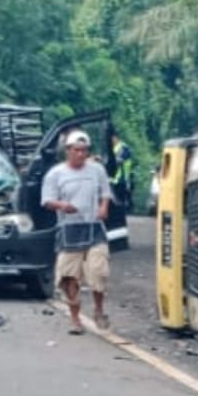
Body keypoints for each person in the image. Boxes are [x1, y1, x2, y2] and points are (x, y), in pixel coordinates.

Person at [41, 129, 112, 334]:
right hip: (69, 229)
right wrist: (62, 205)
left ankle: (99, 309)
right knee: (69, 276)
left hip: (93, 228)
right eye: (77, 150)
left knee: (98, 271)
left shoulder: (96, 170)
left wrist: (103, 207)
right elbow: (46, 201)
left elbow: (105, 192)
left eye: (84, 151)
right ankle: (75, 319)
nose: (81, 154)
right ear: (68, 151)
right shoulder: (56, 174)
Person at [109, 132, 134, 212]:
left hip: (121, 178)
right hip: (115, 178)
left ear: (116, 138)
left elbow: (118, 160)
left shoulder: (122, 148)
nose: (111, 140)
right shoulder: (115, 148)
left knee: (120, 198)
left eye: (112, 138)